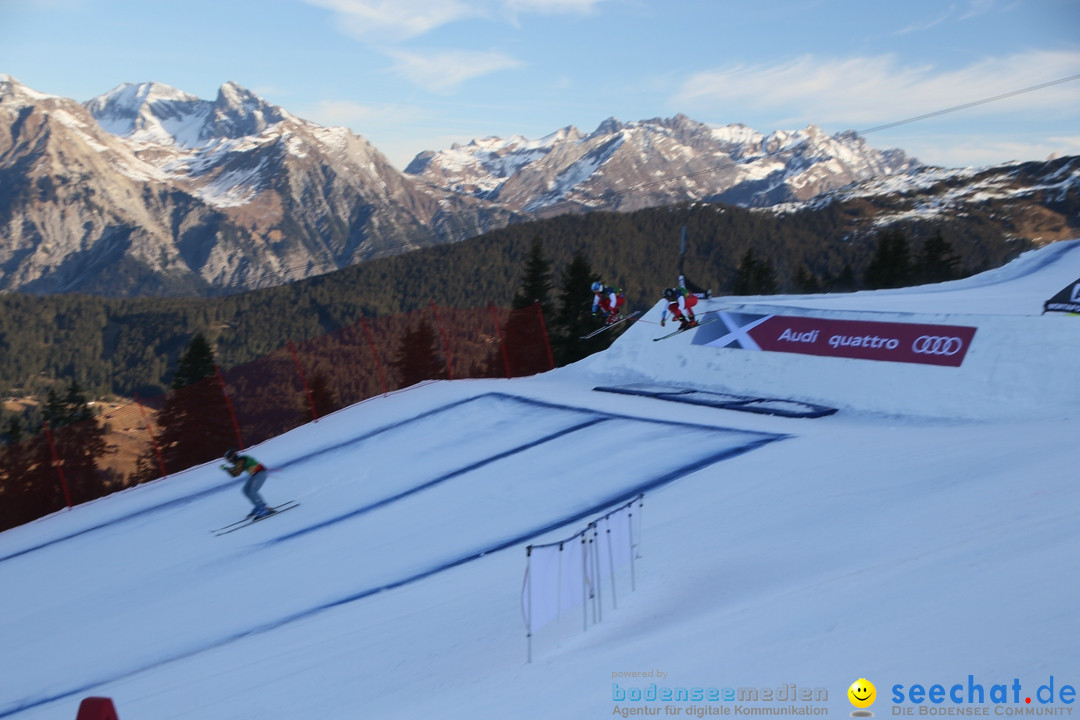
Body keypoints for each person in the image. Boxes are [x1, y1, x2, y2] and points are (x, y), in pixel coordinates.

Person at [222, 449, 273, 519]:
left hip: (260, 473)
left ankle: (263, 508)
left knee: (252, 491)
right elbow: (236, 471)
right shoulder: (240, 461)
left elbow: (235, 473)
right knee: (245, 490)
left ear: (233, 457)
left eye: (229, 460)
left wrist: (226, 469)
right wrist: (227, 469)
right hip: (255, 475)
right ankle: (258, 506)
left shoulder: (242, 460)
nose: (230, 462)